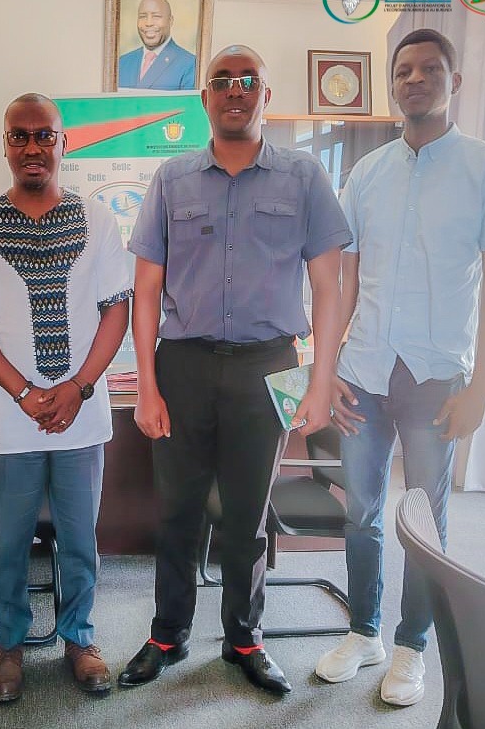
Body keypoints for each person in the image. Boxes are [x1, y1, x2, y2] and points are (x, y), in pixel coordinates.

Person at [119, 45, 350, 694]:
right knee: (177, 512)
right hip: (183, 364)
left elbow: (327, 287)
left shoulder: (303, 177)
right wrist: (147, 385)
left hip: (269, 365)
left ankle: (244, 638)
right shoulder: (172, 179)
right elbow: (145, 290)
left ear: (266, 95)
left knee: (248, 514)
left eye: (249, 80)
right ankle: (167, 634)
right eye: (222, 81)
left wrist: (322, 379)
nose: (235, 90)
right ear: (206, 99)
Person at [314, 28, 485, 707]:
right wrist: (329, 367)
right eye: (403, 70)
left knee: (426, 520)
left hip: (436, 375)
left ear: (453, 81)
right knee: (361, 512)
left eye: (430, 69)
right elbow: (346, 282)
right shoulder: (366, 174)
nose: (415, 79)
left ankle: (412, 645)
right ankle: (364, 631)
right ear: (392, 84)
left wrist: (482, 387)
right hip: (365, 368)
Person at [0, 93, 131, 703]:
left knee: (79, 541)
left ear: (63, 143)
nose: (32, 146)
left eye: (44, 135)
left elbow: (116, 311)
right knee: (9, 542)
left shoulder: (99, 220)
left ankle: (79, 638)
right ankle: (9, 644)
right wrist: (23, 391)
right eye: (19, 135)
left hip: (83, 418)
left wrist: (77, 387)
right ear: (5, 145)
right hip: (10, 417)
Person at [117, 0, 196, 90]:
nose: (148, 23)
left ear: (170, 21)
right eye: (142, 16)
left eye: (156, 16)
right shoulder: (122, 63)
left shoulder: (190, 64)